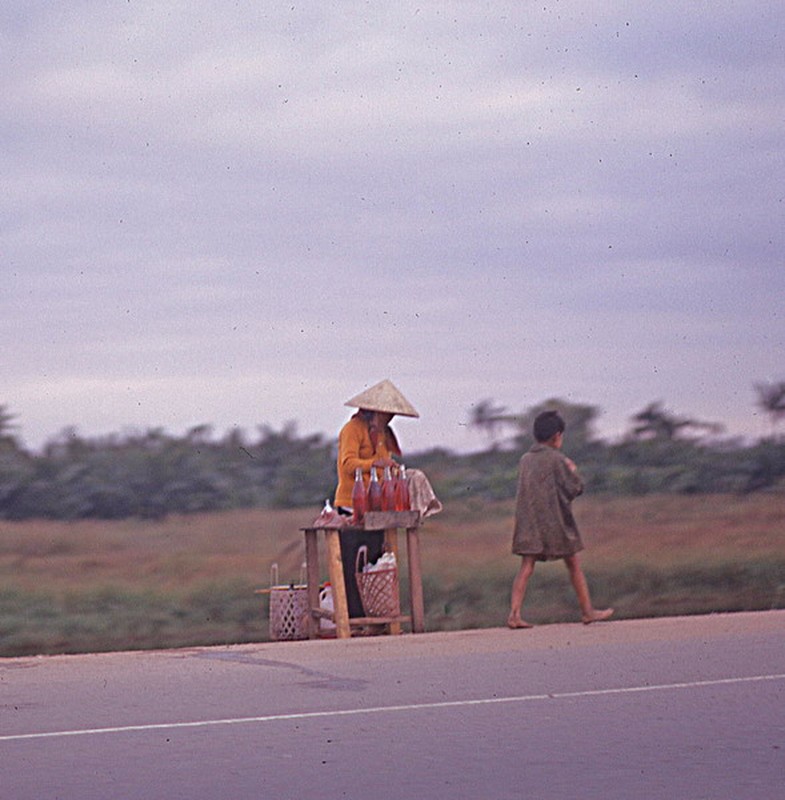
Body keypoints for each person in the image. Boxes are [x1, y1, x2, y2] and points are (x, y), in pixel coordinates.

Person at [508, 410, 613, 629]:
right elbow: (574, 488)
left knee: (526, 566)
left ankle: (514, 614)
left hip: (530, 524)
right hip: (555, 524)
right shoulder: (558, 460)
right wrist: (573, 471)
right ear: (557, 436)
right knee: (573, 564)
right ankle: (587, 612)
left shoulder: (525, 459)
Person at [334, 379, 419, 617]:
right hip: (351, 505)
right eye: (387, 414)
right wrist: (375, 464)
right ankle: (356, 619)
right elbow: (348, 464)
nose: (390, 418)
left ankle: (376, 615)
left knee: (376, 563)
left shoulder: (383, 434)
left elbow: (384, 467)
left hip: (377, 507)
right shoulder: (353, 430)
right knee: (354, 568)